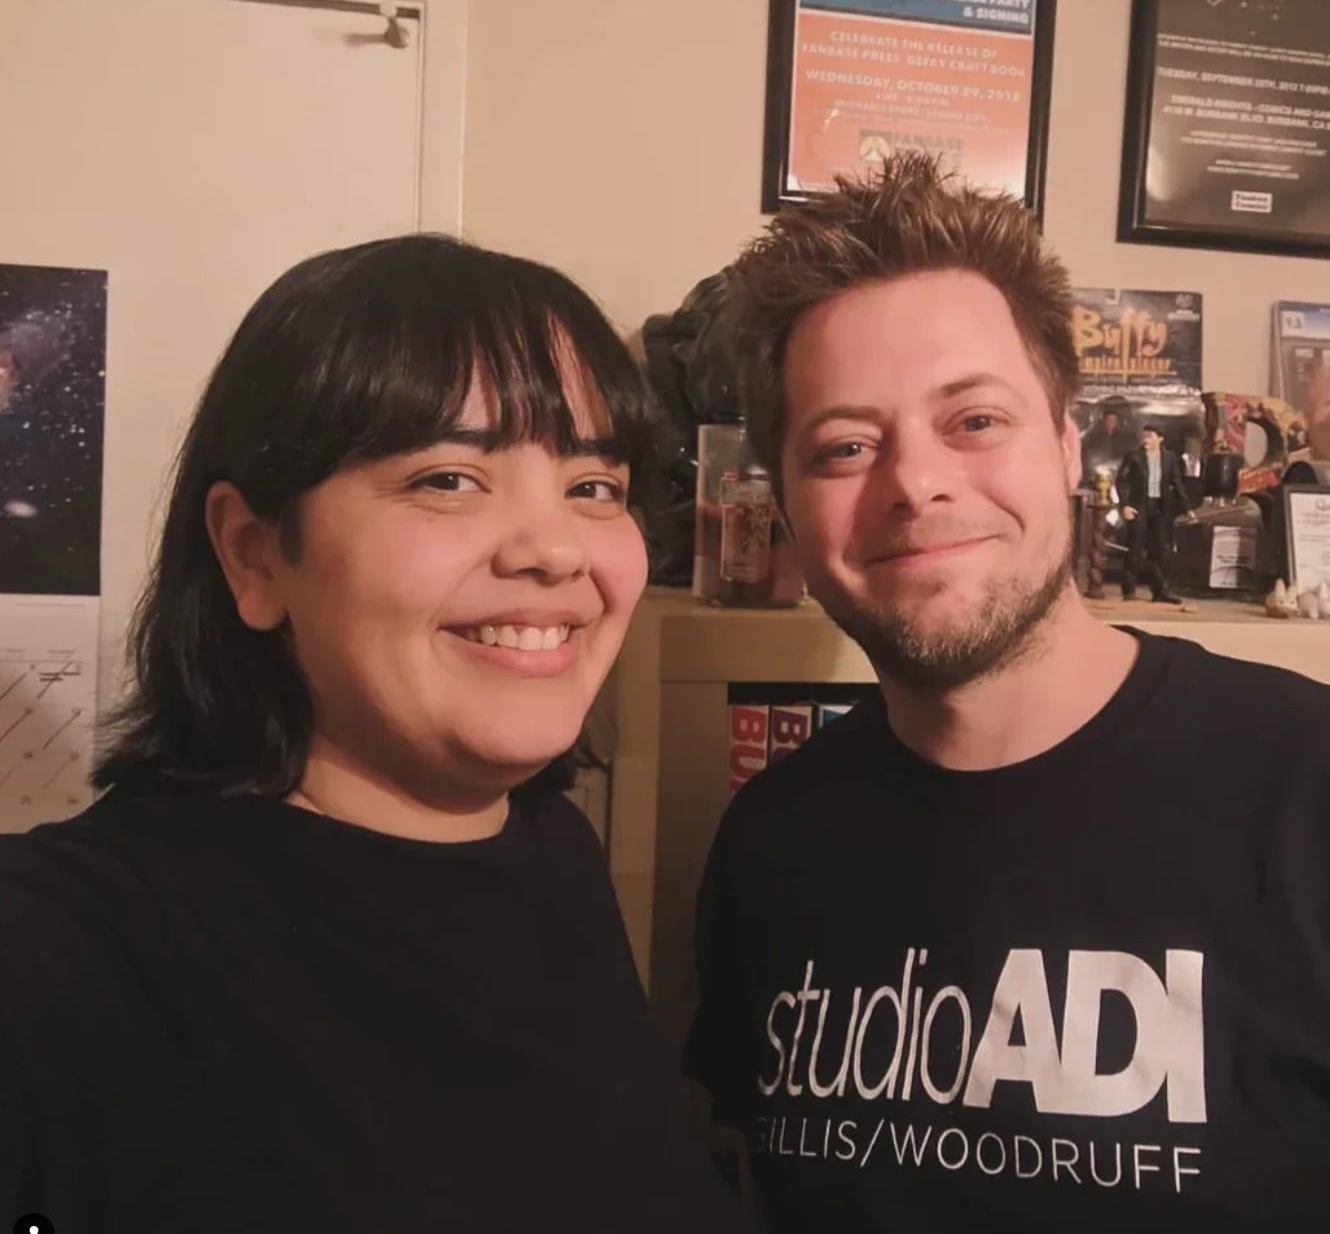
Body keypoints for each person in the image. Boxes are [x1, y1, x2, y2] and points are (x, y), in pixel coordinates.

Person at [0, 235, 750, 1233]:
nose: (555, 548)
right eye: (447, 478)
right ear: (254, 552)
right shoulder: (73, 943)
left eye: (593, 485)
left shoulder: (550, 852)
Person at [684, 153, 1330, 1233]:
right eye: (845, 444)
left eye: (975, 420)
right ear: (786, 510)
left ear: (1070, 444)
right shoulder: (769, 840)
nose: (915, 482)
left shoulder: (1305, 789)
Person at [1115, 424, 1193, 603]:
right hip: (1139, 505)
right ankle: (1129, 590)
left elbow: (1177, 482)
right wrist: (1125, 505)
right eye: (1144, 436)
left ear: (1160, 438)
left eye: (1150, 436)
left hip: (1159, 507)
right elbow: (1122, 482)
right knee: (1134, 548)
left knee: (1160, 550)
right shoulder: (1134, 456)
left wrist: (1187, 507)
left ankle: (1160, 590)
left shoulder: (1169, 458)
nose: (1146, 440)